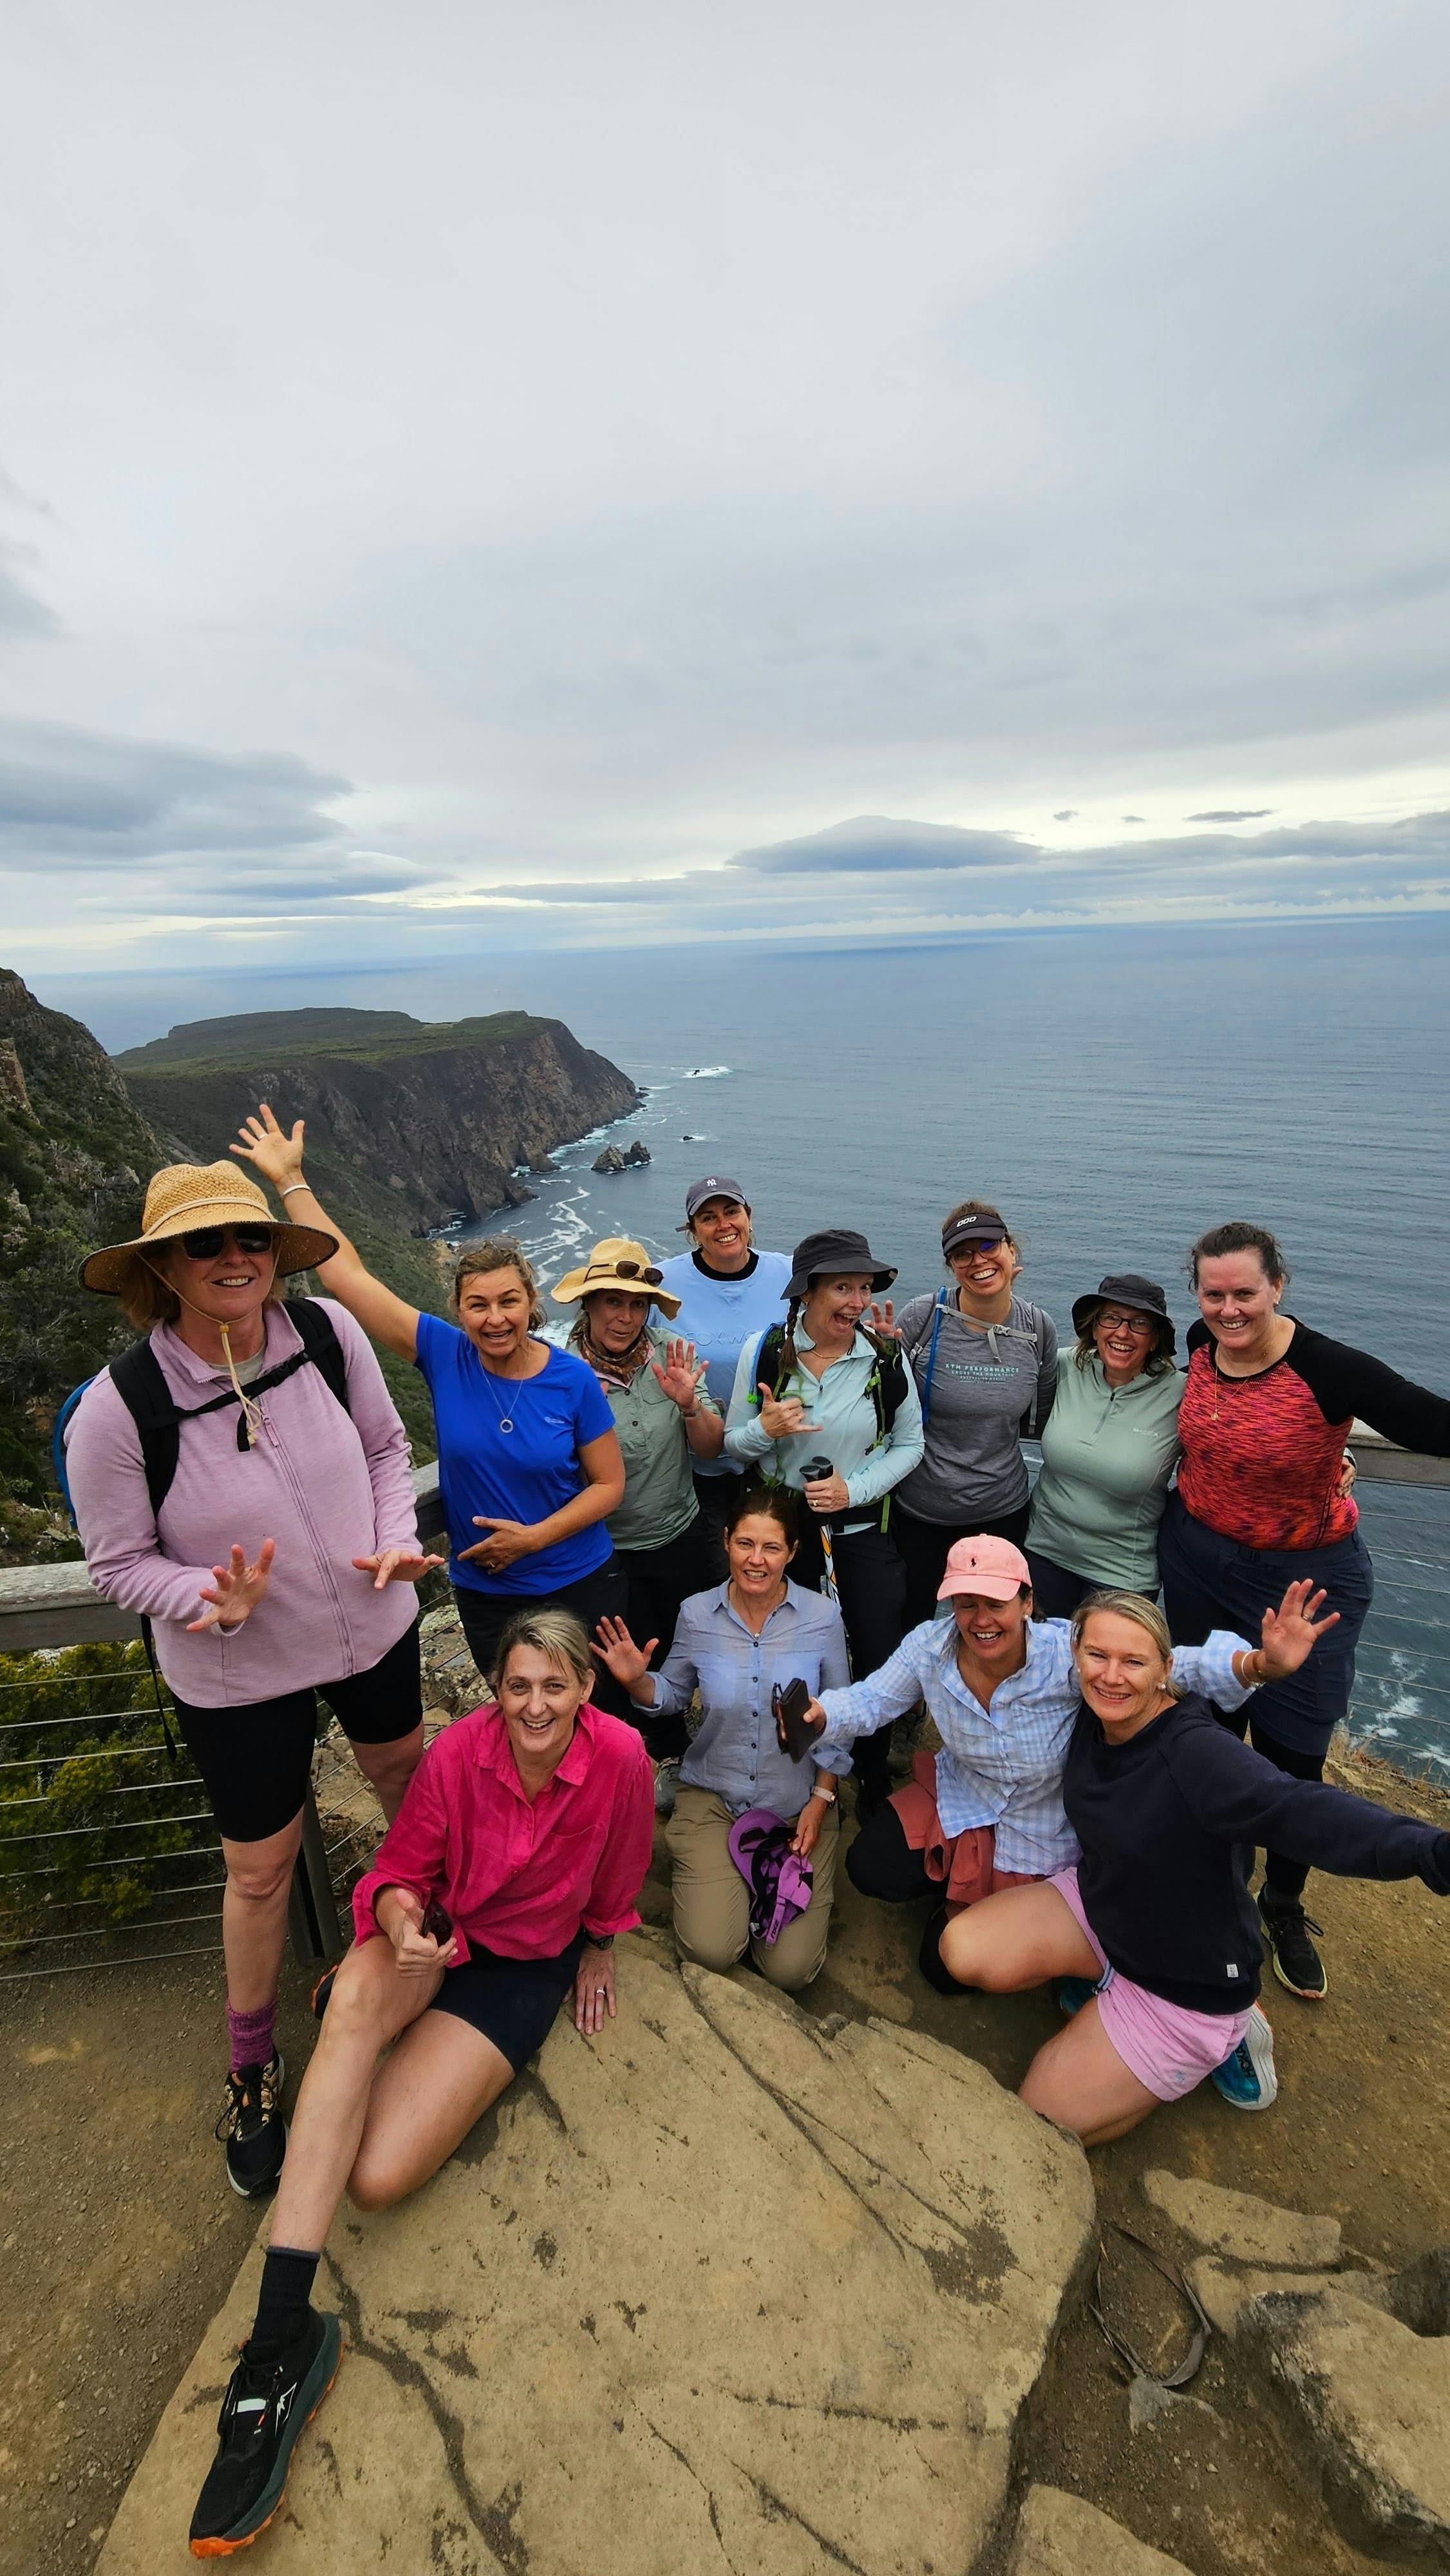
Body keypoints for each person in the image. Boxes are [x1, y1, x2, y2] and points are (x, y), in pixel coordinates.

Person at [185, 1607, 654, 2556]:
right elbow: (403, 1871)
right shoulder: (456, 1758)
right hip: (441, 1932)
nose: (534, 1704)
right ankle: (278, 2349)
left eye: (554, 1687)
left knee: (377, 2175)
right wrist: (398, 1923)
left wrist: (599, 1950)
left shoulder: (623, 1760)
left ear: (586, 1691)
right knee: (360, 2010)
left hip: (524, 1963)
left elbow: (622, 1864)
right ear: (496, 1685)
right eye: (518, 1684)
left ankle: (352, 2050)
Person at [65, 1162, 442, 2199]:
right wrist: (203, 1596)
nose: (235, 1258)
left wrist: (395, 1538)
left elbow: (384, 1445)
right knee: (261, 1872)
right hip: (238, 1671)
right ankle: (249, 2063)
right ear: (163, 1268)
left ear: (276, 1252)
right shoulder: (118, 1409)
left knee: (408, 1781)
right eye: (205, 1244)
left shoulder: (327, 1334)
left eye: (251, 1240)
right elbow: (116, 1564)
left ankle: (428, 1946)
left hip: (373, 1623)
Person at [928, 1590, 1450, 2146]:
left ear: (1166, 1669)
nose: (1112, 1677)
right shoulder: (1089, 1710)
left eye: (1134, 1662)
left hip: (1187, 1979)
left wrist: (1430, 1853)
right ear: (1075, 1655)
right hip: (1108, 1911)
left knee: (1039, 2120)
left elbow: (1301, 1809)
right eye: (1097, 1656)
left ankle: (1224, 2037)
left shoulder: (1199, 1755)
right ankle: (1107, 1986)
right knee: (961, 1949)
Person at [793, 1535, 1297, 2097]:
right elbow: (869, 1701)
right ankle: (984, 1905)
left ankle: (1188, 2005)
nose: (981, 1620)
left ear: (1027, 1603)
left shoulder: (1065, 1655)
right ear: (949, 1605)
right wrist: (821, 1714)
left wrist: (1256, 1664)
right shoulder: (928, 1649)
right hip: (966, 1801)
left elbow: (1169, 1665)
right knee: (873, 1865)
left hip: (1044, 1832)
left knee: (945, 1968)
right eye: (966, 1603)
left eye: (997, 1604)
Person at [231, 1105, 626, 1687]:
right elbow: (349, 1277)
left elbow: (609, 1485)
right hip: (488, 1595)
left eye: (508, 1302)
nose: (495, 1319)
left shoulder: (570, 1379)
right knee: (520, 1723)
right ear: (459, 1310)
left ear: (531, 1301)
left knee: (594, 1719)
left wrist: (533, 1539)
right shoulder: (446, 1355)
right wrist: (290, 1181)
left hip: (576, 1579)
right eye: (478, 1305)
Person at [1158, 1218, 1450, 2003]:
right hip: (1194, 1557)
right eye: (1213, 1293)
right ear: (1197, 1293)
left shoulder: (1328, 1369)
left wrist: (1335, 1459)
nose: (1228, 1310)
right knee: (1207, 1729)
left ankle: (1281, 1903)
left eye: (1244, 1293)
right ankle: (1212, 1879)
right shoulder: (1193, 1342)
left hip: (1302, 1581)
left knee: (1291, 1752)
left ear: (1276, 1286)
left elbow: (1431, 1423)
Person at [592, 1482, 852, 1991]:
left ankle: (759, 1891)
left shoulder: (823, 1618)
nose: (757, 1560)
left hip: (798, 1807)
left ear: (793, 1552)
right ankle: (735, 1886)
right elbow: (671, 1694)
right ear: (727, 1542)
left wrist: (822, 1800)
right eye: (745, 1544)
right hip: (715, 1798)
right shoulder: (696, 1613)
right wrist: (637, 1682)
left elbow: (843, 1716)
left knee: (790, 1972)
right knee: (710, 1951)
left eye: (772, 1547)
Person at [723, 1227, 923, 1815]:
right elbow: (736, 1445)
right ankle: (799, 1762)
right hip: (782, 1539)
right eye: (843, 1287)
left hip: (860, 1531)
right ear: (806, 1294)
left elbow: (911, 1444)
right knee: (787, 1654)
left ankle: (867, 1768)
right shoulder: (763, 1352)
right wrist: (769, 1429)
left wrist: (851, 1490)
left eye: (864, 1287)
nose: (858, 1301)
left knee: (879, 1650)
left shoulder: (884, 1357)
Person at [552, 1235, 724, 1757]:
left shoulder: (672, 1355)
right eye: (613, 1301)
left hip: (681, 1534)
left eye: (637, 1303)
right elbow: (551, 1474)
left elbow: (712, 1449)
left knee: (703, 1650)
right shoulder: (558, 1374)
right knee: (632, 1660)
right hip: (606, 1551)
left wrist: (690, 1405)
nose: (625, 1317)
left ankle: (720, 1749)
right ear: (589, 1303)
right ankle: (665, 1754)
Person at [891, 1203, 1058, 1629]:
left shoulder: (1037, 1327)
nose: (979, 1260)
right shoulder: (922, 1319)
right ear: (951, 1266)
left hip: (1001, 1510)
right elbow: (891, 1410)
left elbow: (1037, 1421)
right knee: (914, 1624)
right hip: (921, 1512)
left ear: (1011, 1249)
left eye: (989, 1245)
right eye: (963, 1253)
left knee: (996, 1627)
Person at [1024, 1274, 1183, 1616]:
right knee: (1040, 1666)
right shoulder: (1064, 1366)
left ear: (1156, 1339)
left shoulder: (1182, 1394)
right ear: (1094, 1328)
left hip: (1123, 1574)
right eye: (1111, 1319)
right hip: (1042, 1552)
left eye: (1139, 1323)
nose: (1122, 1333)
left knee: (1106, 1670)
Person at [656, 1175, 793, 1567]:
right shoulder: (663, 1281)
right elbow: (624, 1332)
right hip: (700, 1465)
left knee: (775, 1566)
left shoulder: (789, 1272)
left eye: (732, 1212)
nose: (723, 1225)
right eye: (708, 1217)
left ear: (749, 1217)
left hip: (776, 1457)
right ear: (693, 1231)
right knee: (717, 1570)